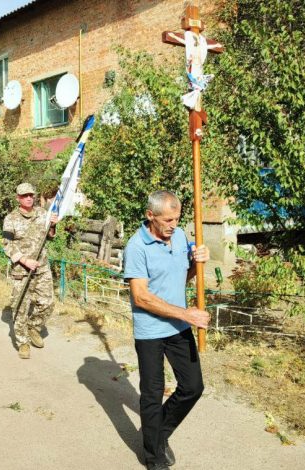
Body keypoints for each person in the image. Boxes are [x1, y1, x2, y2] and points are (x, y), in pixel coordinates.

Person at [123, 190, 210, 470]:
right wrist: (186, 313)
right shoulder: (136, 247)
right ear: (151, 216)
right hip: (150, 331)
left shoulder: (181, 236)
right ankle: (154, 458)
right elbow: (141, 297)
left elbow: (183, 275)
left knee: (193, 387)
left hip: (179, 326)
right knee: (152, 394)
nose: (173, 224)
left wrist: (198, 262)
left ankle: (158, 434)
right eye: (168, 219)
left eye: (177, 218)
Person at [2, 182, 57, 359]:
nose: (28, 198)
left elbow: (50, 237)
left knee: (48, 302)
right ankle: (23, 342)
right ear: (18, 198)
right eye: (25, 195)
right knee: (20, 307)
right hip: (21, 270)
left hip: (41, 267)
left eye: (31, 195)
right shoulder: (11, 219)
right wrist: (24, 260)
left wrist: (53, 225)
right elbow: (6, 244)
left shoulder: (43, 213)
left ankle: (34, 327)